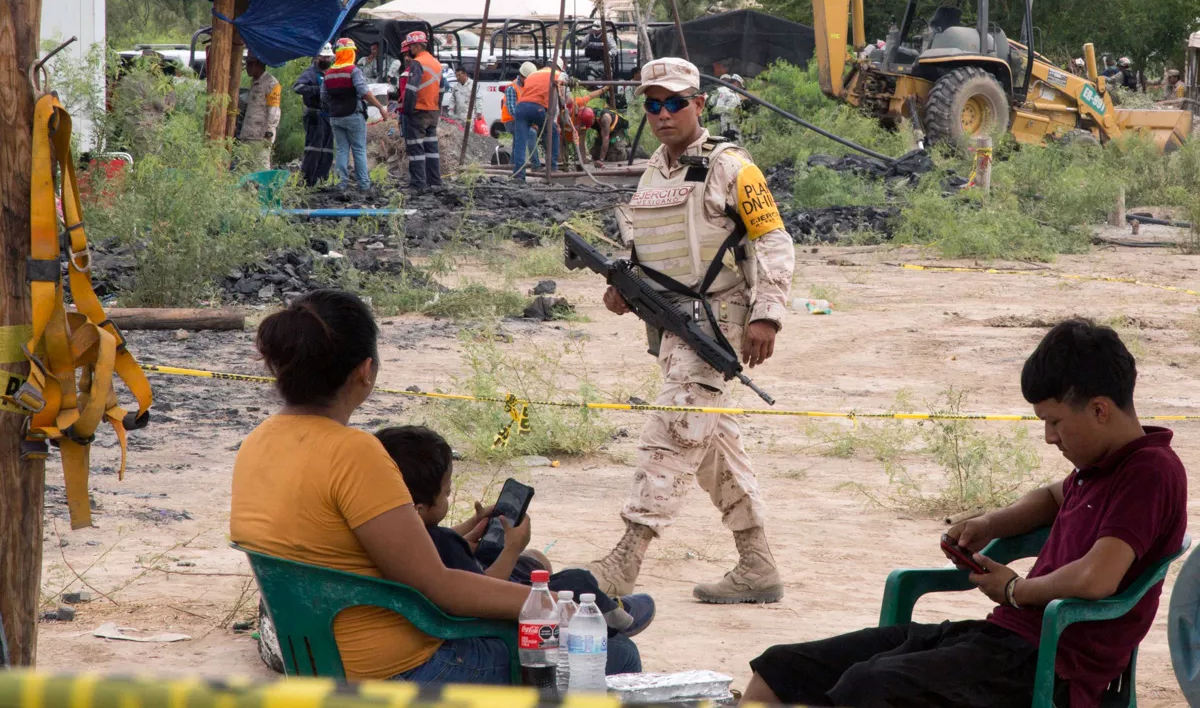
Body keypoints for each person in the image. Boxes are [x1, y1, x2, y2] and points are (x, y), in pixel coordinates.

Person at [744, 319, 1187, 708]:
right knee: (783, 668)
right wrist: (991, 523)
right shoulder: (1096, 465)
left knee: (869, 686)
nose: (1050, 438)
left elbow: (1096, 578)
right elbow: (1052, 497)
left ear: (1099, 410)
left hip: (1049, 664)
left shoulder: (1150, 472)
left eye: (1054, 422)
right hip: (999, 640)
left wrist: (1015, 589)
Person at [230, 290, 532, 683]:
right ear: (365, 370)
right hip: (394, 671)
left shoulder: (258, 442)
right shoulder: (354, 453)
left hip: (315, 663)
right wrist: (551, 603)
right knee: (609, 652)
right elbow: (438, 588)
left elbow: (340, 550)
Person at [588, 56, 795, 605]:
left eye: (675, 102)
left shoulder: (731, 166)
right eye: (652, 104)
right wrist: (624, 287)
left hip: (721, 321)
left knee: (676, 430)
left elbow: (773, 240)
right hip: (673, 324)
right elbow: (648, 247)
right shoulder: (654, 171)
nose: (663, 113)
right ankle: (757, 565)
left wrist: (767, 314)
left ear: (698, 104)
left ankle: (624, 559)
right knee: (713, 445)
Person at [374, 424, 652, 675]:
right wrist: (512, 548)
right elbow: (480, 591)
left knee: (533, 563)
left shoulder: (382, 531)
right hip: (468, 630)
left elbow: (431, 542)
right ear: (419, 508)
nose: (448, 498)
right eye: (446, 494)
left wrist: (472, 526)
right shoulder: (442, 543)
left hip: (430, 615)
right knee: (577, 586)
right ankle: (613, 618)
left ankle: (609, 609)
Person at [322, 38, 386, 192]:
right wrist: (380, 107)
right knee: (358, 149)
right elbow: (364, 92)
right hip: (353, 115)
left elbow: (323, 96)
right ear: (350, 53)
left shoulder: (328, 73)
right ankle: (363, 184)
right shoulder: (353, 71)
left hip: (336, 117)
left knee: (342, 150)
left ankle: (341, 184)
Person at [400, 30, 444, 193]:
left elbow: (411, 89)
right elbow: (442, 88)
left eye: (411, 46)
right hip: (432, 111)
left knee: (415, 148)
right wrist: (437, 107)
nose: (410, 50)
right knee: (431, 148)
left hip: (418, 110)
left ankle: (418, 183)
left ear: (418, 45)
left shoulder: (418, 63)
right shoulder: (435, 62)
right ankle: (435, 181)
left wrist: (406, 111)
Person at [512, 59, 564, 180]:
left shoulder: (533, 74)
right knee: (553, 132)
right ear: (559, 68)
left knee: (520, 142)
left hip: (520, 108)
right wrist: (555, 121)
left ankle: (519, 176)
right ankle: (552, 167)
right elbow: (558, 101)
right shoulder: (558, 75)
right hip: (537, 107)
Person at [294, 43, 336, 186]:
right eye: (323, 57)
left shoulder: (330, 72)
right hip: (314, 114)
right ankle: (307, 181)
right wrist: (318, 90)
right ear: (318, 57)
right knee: (314, 148)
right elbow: (298, 87)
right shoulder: (310, 73)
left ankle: (321, 179)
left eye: (328, 57)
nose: (326, 60)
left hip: (328, 115)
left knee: (327, 149)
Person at [237, 55, 282, 170]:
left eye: (250, 64)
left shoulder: (271, 83)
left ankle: (263, 188)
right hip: (248, 134)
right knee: (245, 168)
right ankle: (249, 189)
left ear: (258, 65)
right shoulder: (255, 82)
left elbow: (274, 111)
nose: (247, 68)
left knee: (261, 168)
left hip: (261, 137)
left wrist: (268, 134)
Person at [709, 74, 745, 141]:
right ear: (736, 83)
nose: (740, 88)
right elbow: (718, 109)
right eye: (740, 86)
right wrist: (732, 110)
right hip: (728, 126)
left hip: (736, 124)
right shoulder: (724, 91)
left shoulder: (736, 94)